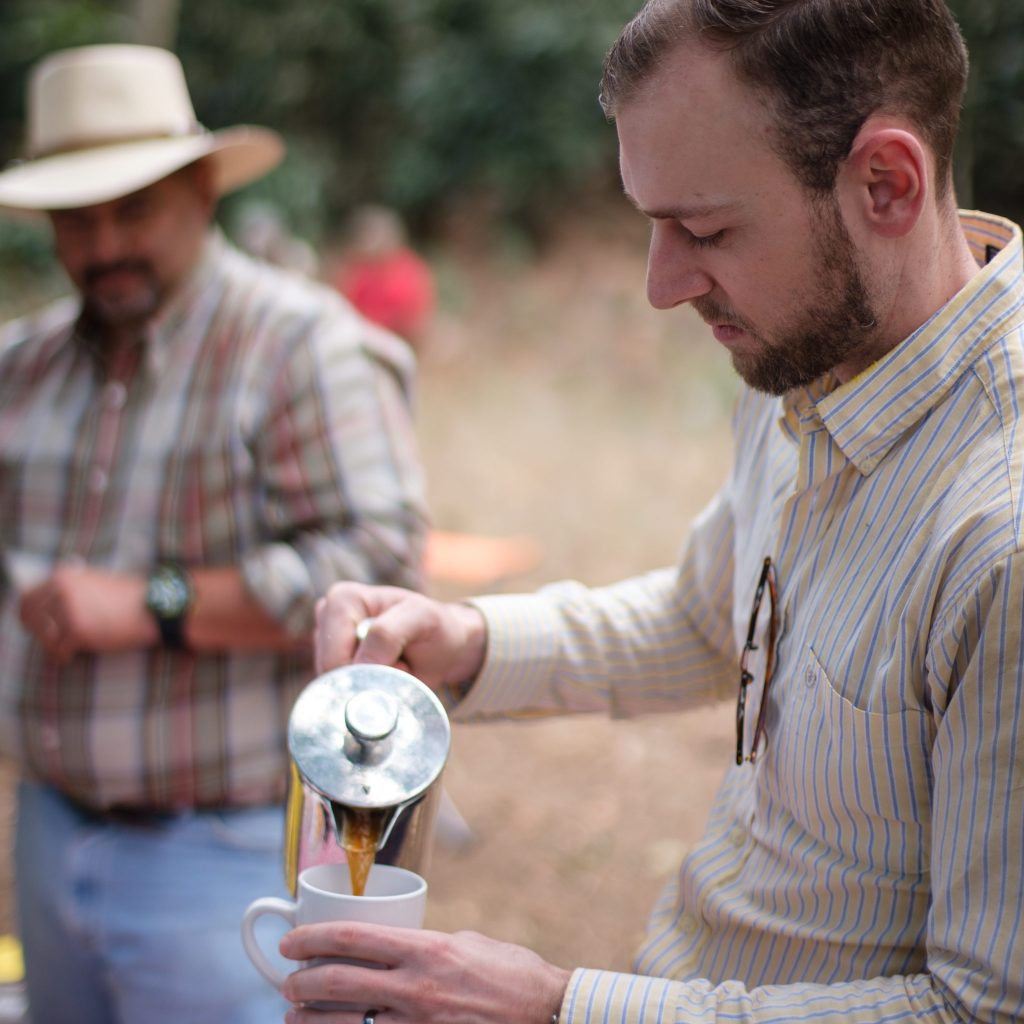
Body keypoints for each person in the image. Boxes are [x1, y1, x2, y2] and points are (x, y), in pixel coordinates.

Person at [294, 1, 1024, 1022]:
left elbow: (981, 1008)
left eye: (707, 229)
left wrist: (560, 1007)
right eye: (651, 223)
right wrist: (461, 641)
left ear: (885, 184)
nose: (660, 283)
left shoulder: (1002, 533)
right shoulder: (799, 362)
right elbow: (701, 618)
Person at [0, 44, 428, 1024]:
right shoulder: (20, 368)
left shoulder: (296, 345)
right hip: (47, 821)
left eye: (132, 209)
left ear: (201, 188)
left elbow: (383, 566)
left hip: (222, 852)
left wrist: (154, 603)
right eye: (76, 217)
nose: (102, 243)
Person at [329, 204, 437, 352]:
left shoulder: (410, 271)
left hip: (398, 343)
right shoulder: (358, 272)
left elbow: (415, 318)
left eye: (373, 236)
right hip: (363, 341)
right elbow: (345, 309)